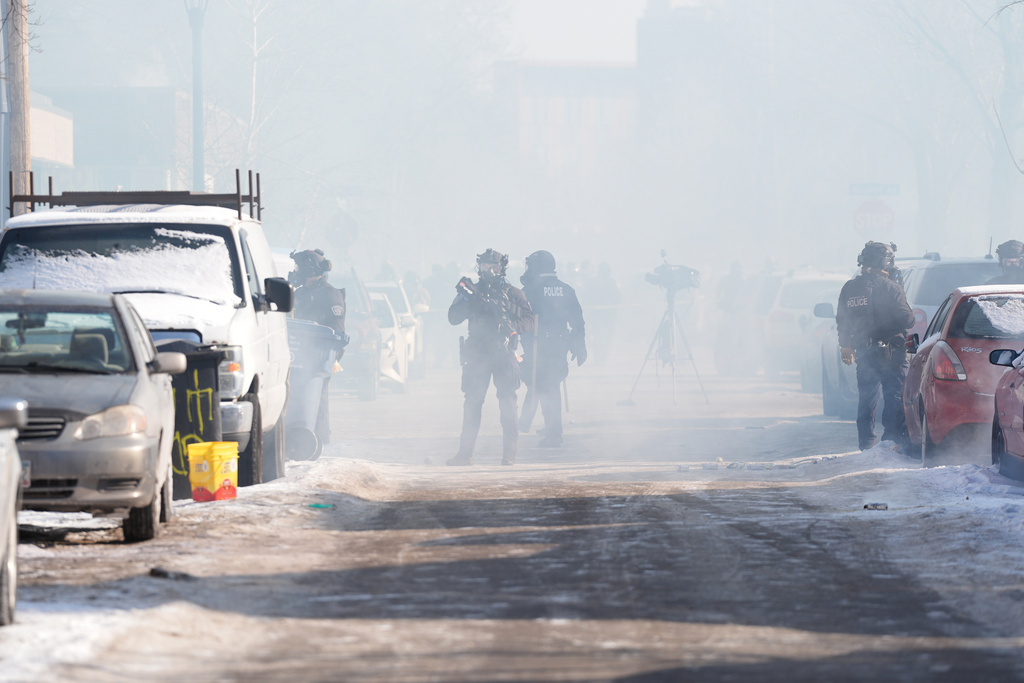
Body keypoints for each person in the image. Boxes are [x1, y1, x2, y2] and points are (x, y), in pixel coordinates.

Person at [447, 248, 535, 466]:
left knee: (508, 403)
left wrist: (511, 325)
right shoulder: (471, 291)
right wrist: (470, 302)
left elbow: (529, 319)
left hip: (504, 354)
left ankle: (509, 455)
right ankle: (465, 455)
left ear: (501, 269)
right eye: (485, 266)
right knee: (472, 405)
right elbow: (453, 317)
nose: (489, 271)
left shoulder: (512, 293)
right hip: (477, 354)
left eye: (493, 267)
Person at [836, 241, 914, 451]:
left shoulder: (850, 288)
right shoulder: (891, 287)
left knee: (867, 398)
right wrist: (900, 289)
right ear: (886, 263)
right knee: (894, 395)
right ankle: (890, 441)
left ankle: (866, 443)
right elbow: (908, 320)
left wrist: (845, 345)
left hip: (864, 351)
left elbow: (842, 320)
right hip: (892, 353)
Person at [518, 250, 586, 447]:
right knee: (547, 385)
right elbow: (578, 321)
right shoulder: (567, 289)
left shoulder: (531, 290)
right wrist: (580, 347)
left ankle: (554, 433)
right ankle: (550, 426)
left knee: (545, 387)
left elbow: (521, 320)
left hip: (538, 346)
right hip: (560, 345)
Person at [289, 248, 348, 445]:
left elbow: (337, 333)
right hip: (297, 356)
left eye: (298, 267)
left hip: (318, 358)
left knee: (316, 400)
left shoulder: (330, 295)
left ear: (309, 269)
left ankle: (318, 440)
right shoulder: (301, 294)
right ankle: (297, 438)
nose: (295, 271)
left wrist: (332, 359)